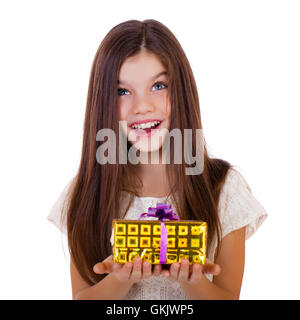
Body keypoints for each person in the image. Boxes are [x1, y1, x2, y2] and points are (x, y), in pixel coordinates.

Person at [48, 19, 268, 300]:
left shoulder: (224, 189)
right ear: (103, 101)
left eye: (159, 85)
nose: (143, 106)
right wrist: (119, 278)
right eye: (123, 91)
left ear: (182, 91)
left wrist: (193, 280)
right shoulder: (88, 190)